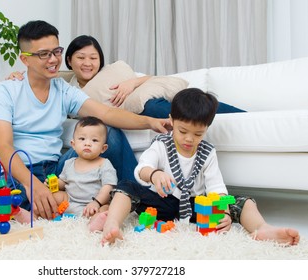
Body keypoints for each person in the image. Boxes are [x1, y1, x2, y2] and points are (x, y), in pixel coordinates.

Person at [0, 20, 170, 221]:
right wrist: (32, 184)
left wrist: (150, 122)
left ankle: (135, 198)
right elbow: (3, 146)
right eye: (44, 54)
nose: (53, 59)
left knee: (108, 132)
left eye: (57, 51)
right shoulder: (4, 91)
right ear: (25, 59)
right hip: (16, 173)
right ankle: (45, 205)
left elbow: (107, 114)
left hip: (55, 172)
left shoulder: (63, 89)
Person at [100, 87, 300, 246]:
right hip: (160, 202)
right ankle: (112, 223)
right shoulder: (162, 144)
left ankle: (262, 228)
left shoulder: (207, 152)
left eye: (198, 134)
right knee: (125, 186)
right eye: (183, 131)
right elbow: (141, 168)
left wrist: (224, 212)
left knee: (243, 201)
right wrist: (154, 175)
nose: (189, 139)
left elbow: (216, 188)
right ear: (171, 121)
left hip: (197, 206)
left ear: (206, 129)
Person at [9, 35, 245, 118]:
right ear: (69, 60)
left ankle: (243, 116)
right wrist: (18, 75)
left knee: (188, 102)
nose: (88, 63)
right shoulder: (66, 85)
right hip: (139, 112)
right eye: (81, 58)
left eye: (93, 57)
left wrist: (132, 82)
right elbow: (42, 73)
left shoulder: (111, 74)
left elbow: (151, 78)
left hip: (148, 101)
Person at [15, 116, 117, 228]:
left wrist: (96, 203)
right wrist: (54, 184)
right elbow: (63, 182)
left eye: (94, 140)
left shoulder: (104, 164)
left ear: (103, 148)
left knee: (106, 209)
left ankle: (96, 221)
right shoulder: (70, 163)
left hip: (92, 204)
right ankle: (33, 216)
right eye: (82, 139)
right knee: (51, 197)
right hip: (69, 200)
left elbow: (108, 187)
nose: (87, 143)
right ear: (73, 144)